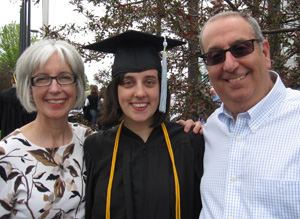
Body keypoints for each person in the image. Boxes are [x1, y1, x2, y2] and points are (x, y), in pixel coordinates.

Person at [187, 11, 300, 218]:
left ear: (265, 53)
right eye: (215, 56)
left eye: (240, 48)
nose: (229, 65)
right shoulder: (210, 130)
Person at [82, 30, 205, 219]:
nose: (139, 93)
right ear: (116, 90)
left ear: (161, 88)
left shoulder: (190, 143)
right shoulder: (96, 149)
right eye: (128, 82)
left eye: (149, 82)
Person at [0, 40, 93, 218]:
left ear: (77, 84)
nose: (55, 89)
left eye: (64, 77)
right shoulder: (6, 156)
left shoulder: (89, 142)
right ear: (29, 88)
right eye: (42, 79)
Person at [0, 71, 36, 139]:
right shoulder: (32, 95)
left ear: (12, 81)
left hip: (8, 138)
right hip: (30, 138)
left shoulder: (3, 96)